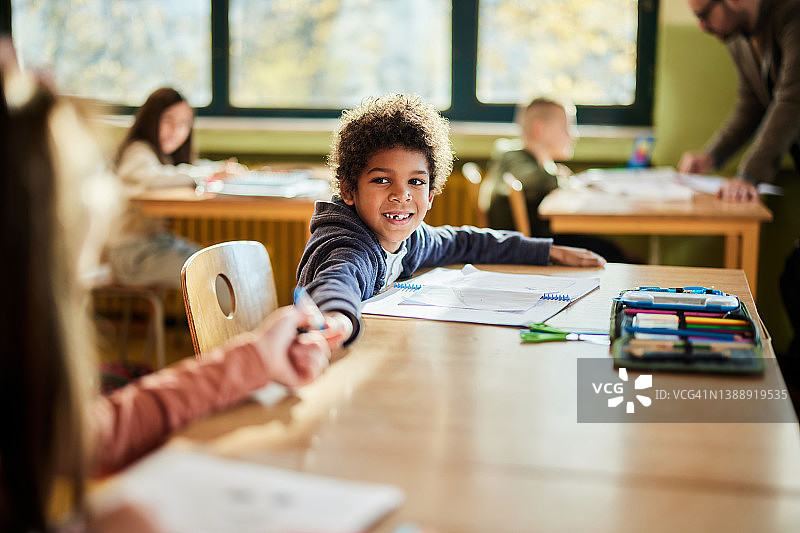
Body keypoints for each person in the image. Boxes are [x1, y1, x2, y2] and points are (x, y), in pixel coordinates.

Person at [0, 47, 333, 532]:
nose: (103, 205)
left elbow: (94, 434)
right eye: (83, 187)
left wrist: (255, 358)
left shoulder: (31, 405)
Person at [297, 94, 606, 345]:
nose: (401, 195)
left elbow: (465, 241)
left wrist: (544, 250)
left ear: (431, 195)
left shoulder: (410, 240)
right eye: (381, 180)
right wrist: (336, 317)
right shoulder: (349, 245)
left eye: (416, 183)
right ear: (349, 190)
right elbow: (338, 278)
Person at [108, 87, 243, 287]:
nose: (176, 131)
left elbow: (187, 169)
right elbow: (152, 180)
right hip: (132, 253)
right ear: (151, 120)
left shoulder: (163, 157)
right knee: (212, 274)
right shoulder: (138, 151)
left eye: (184, 124)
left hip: (156, 244)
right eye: (168, 121)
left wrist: (219, 169)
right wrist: (210, 175)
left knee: (219, 265)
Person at [678, 0, 800, 201]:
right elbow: (751, 106)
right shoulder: (737, 36)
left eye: (703, 15)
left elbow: (792, 102)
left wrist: (749, 175)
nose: (701, 27)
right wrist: (712, 156)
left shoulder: (793, 14)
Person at [483, 97, 630, 263]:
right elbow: (536, 182)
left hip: (535, 243)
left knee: (614, 250)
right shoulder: (515, 160)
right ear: (540, 129)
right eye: (566, 127)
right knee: (616, 255)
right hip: (535, 250)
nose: (573, 135)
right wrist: (559, 177)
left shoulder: (513, 156)